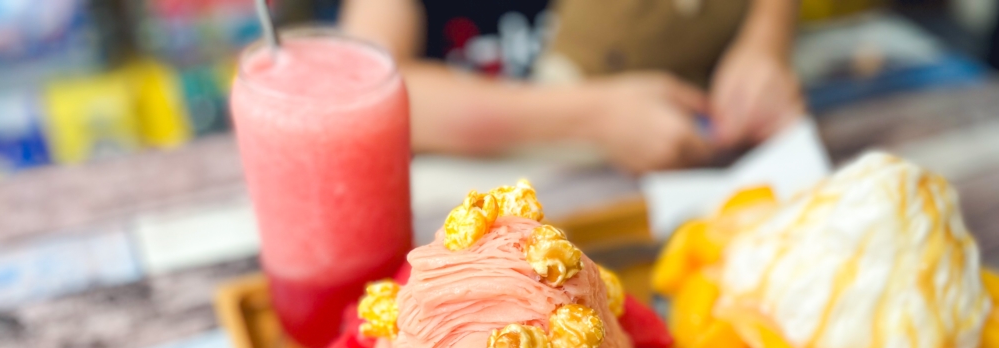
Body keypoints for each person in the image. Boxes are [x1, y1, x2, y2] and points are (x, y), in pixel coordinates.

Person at [340, 0, 804, 173]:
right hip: (467, 205)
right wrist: (595, 115)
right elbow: (369, 93)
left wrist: (765, 41)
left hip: (646, 193)